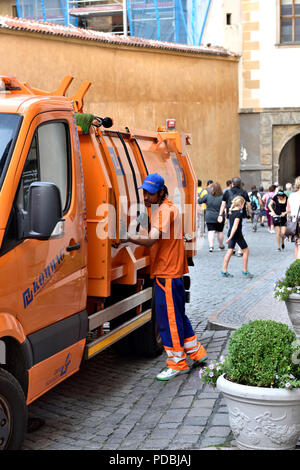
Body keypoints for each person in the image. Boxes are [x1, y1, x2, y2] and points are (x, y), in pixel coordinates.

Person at [123, 173, 208, 381]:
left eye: (150, 193)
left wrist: (127, 237)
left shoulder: (163, 211)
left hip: (167, 273)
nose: (145, 197)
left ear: (161, 192)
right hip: (172, 272)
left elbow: (152, 240)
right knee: (178, 315)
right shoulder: (168, 208)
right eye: (144, 192)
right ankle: (196, 352)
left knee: (168, 319)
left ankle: (177, 363)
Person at [217, 176, 251, 256]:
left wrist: (220, 214)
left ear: (232, 184)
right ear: (240, 184)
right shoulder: (244, 192)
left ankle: (232, 249)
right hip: (242, 214)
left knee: (231, 229)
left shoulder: (227, 192)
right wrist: (249, 213)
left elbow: (223, 204)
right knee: (241, 230)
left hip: (230, 214)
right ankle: (240, 249)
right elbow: (248, 205)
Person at [221, 196, 253, 278]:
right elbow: (235, 227)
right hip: (237, 235)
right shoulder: (239, 213)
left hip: (231, 234)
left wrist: (230, 236)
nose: (244, 206)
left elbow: (231, 226)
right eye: (244, 205)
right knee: (246, 250)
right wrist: (230, 237)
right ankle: (245, 270)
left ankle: (224, 270)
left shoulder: (231, 211)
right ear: (241, 204)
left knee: (230, 251)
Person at [198, 182, 225, 252]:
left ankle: (211, 246)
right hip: (220, 216)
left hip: (209, 216)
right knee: (220, 231)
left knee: (211, 231)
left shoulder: (207, 196)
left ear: (212, 188)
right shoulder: (223, 197)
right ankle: (221, 245)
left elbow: (199, 201)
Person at [286, 176, 300, 259]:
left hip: (294, 221)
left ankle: (296, 267)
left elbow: (288, 209)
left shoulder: (291, 196)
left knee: (297, 245)